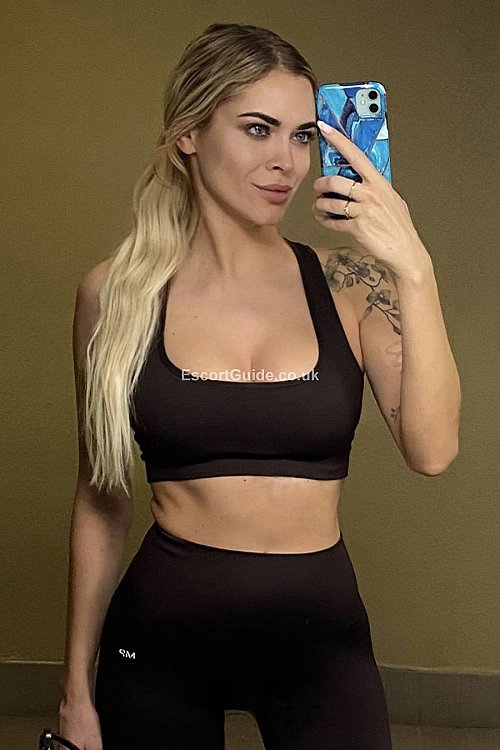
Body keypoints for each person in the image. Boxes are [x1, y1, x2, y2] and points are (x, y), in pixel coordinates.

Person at [58, 22, 461, 750]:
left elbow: (432, 450)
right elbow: (100, 499)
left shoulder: (352, 283)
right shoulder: (116, 295)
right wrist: (74, 696)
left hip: (320, 640)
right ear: (188, 133)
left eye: (303, 136)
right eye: (257, 129)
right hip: (160, 642)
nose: (287, 162)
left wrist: (414, 267)